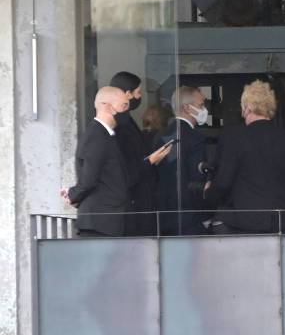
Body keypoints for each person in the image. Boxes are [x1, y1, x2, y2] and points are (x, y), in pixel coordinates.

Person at [206, 80, 285, 234]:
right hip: (281, 223)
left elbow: (223, 183)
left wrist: (208, 192)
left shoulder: (232, 137)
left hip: (239, 224)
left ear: (247, 108)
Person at [60, 87, 131, 237]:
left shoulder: (106, 135)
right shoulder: (96, 135)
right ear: (108, 106)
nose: (127, 111)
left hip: (107, 222)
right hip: (100, 224)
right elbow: (89, 179)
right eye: (124, 105)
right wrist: (73, 194)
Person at [110, 71, 172, 236]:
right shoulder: (119, 124)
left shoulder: (126, 121)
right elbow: (126, 167)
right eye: (138, 92)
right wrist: (151, 160)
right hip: (135, 203)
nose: (139, 97)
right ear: (128, 94)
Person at [156, 86, 209, 235]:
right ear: (187, 108)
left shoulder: (159, 136)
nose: (204, 109)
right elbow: (196, 179)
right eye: (201, 105)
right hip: (189, 216)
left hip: (162, 215)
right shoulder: (195, 138)